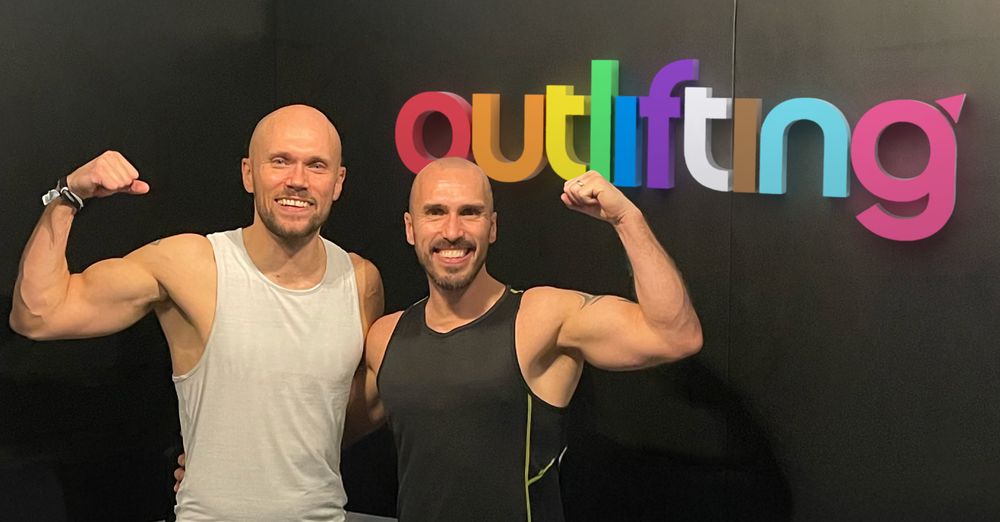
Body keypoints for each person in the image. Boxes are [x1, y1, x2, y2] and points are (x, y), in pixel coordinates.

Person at [9, 105, 383, 522]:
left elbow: (340, 407)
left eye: (316, 165)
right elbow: (37, 315)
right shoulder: (190, 265)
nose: (297, 179)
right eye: (280, 161)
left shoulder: (361, 281)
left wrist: (250, 455)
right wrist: (69, 195)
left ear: (338, 182)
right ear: (248, 173)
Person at [357, 157, 703, 521]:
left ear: (492, 227)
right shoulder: (385, 337)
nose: (453, 230)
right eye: (436, 212)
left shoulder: (541, 318)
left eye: (470, 213)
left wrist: (626, 219)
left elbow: (675, 335)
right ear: (411, 228)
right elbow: (324, 426)